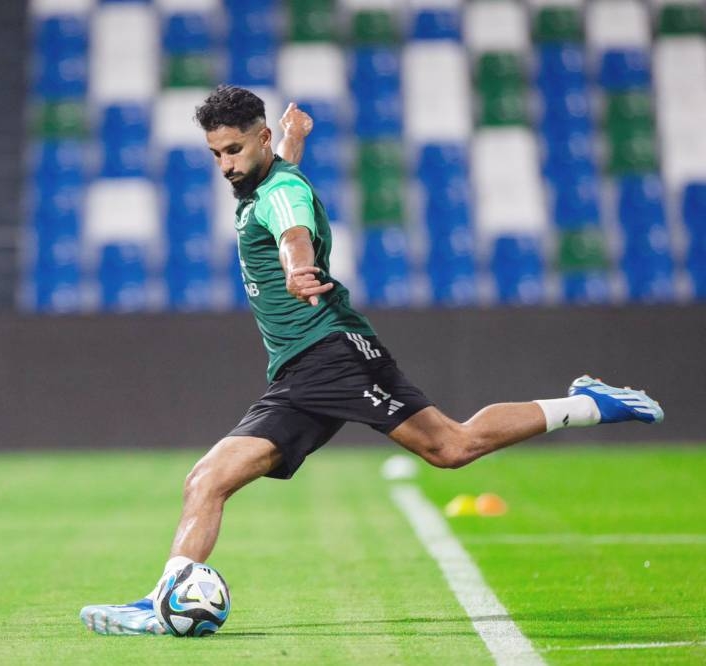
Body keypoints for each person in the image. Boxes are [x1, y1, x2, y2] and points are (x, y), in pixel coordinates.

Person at [79, 86, 664, 636]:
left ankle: (588, 404)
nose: (225, 165)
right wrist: (293, 141)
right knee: (207, 480)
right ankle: (164, 601)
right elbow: (282, 178)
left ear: (259, 139)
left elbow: (292, 231)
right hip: (299, 374)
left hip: (332, 356)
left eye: (233, 149)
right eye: (215, 154)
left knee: (451, 447)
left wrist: (296, 268)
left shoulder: (278, 194)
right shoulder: (271, 177)